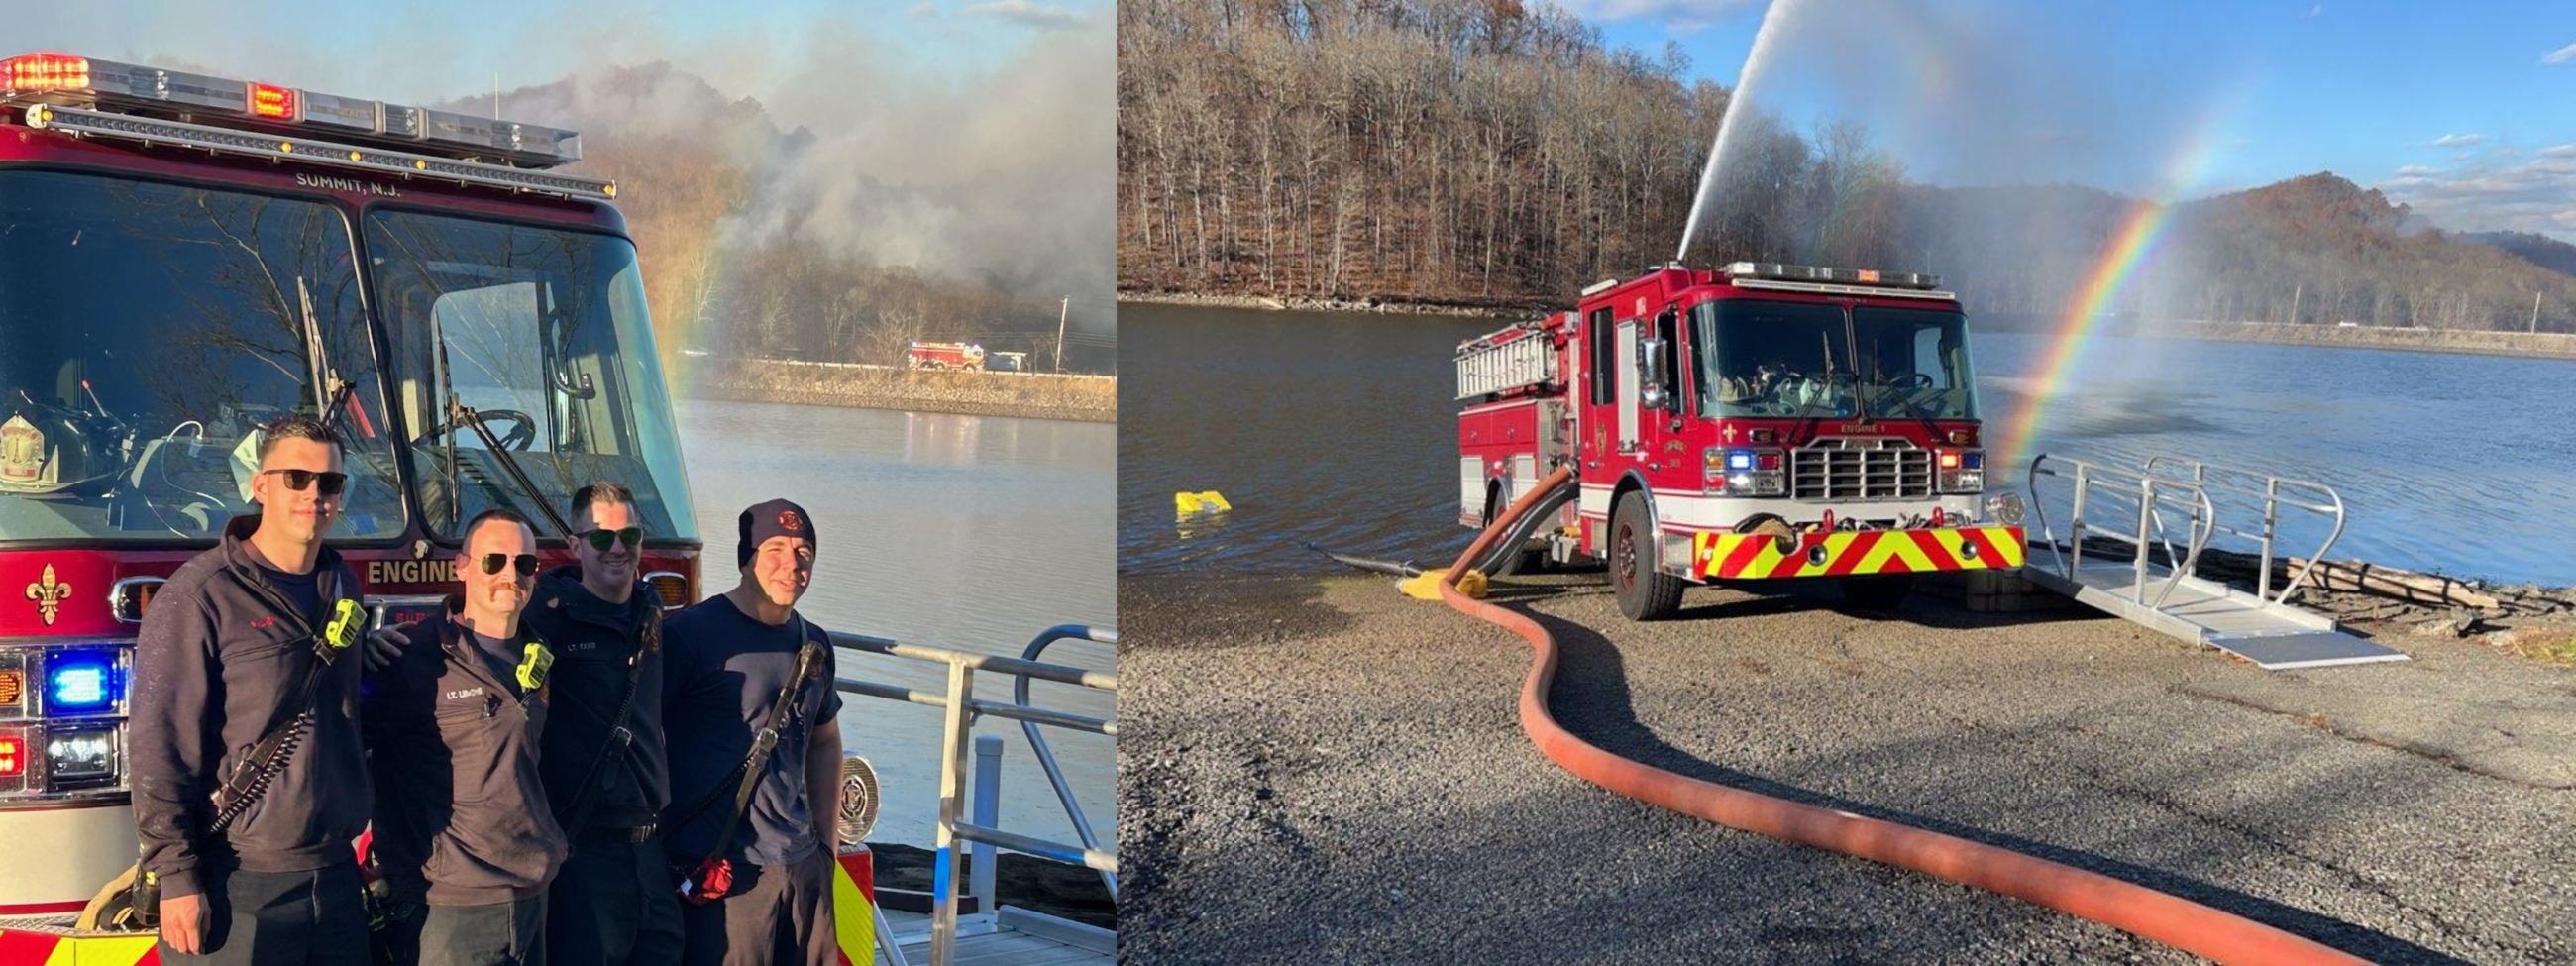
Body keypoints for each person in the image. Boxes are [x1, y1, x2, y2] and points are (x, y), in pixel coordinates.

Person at [130, 415, 371, 965]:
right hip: (238, 883)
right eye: (296, 478)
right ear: (260, 485)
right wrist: (175, 875)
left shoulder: (343, 586)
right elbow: (158, 744)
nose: (314, 494)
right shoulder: (199, 595)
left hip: (335, 875)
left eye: (330, 482)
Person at [365, 509, 567, 966]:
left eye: (525, 563)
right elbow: (340, 750)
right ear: (462, 567)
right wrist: (357, 657)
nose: (511, 575)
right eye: (494, 561)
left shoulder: (541, 655)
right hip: (448, 906)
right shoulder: (410, 657)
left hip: (531, 895)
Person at [661, 499, 844, 966]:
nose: (792, 564)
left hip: (802, 865)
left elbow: (825, 741)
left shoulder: (815, 643)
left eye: (804, 552)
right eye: (775, 549)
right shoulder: (689, 635)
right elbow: (644, 739)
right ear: (746, 558)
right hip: (722, 870)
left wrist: (827, 847)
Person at [522, 483, 684, 966]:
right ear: (575, 546)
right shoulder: (541, 621)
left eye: (628, 535)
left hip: (650, 848)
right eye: (600, 537)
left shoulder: (653, 613)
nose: (617, 547)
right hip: (583, 848)